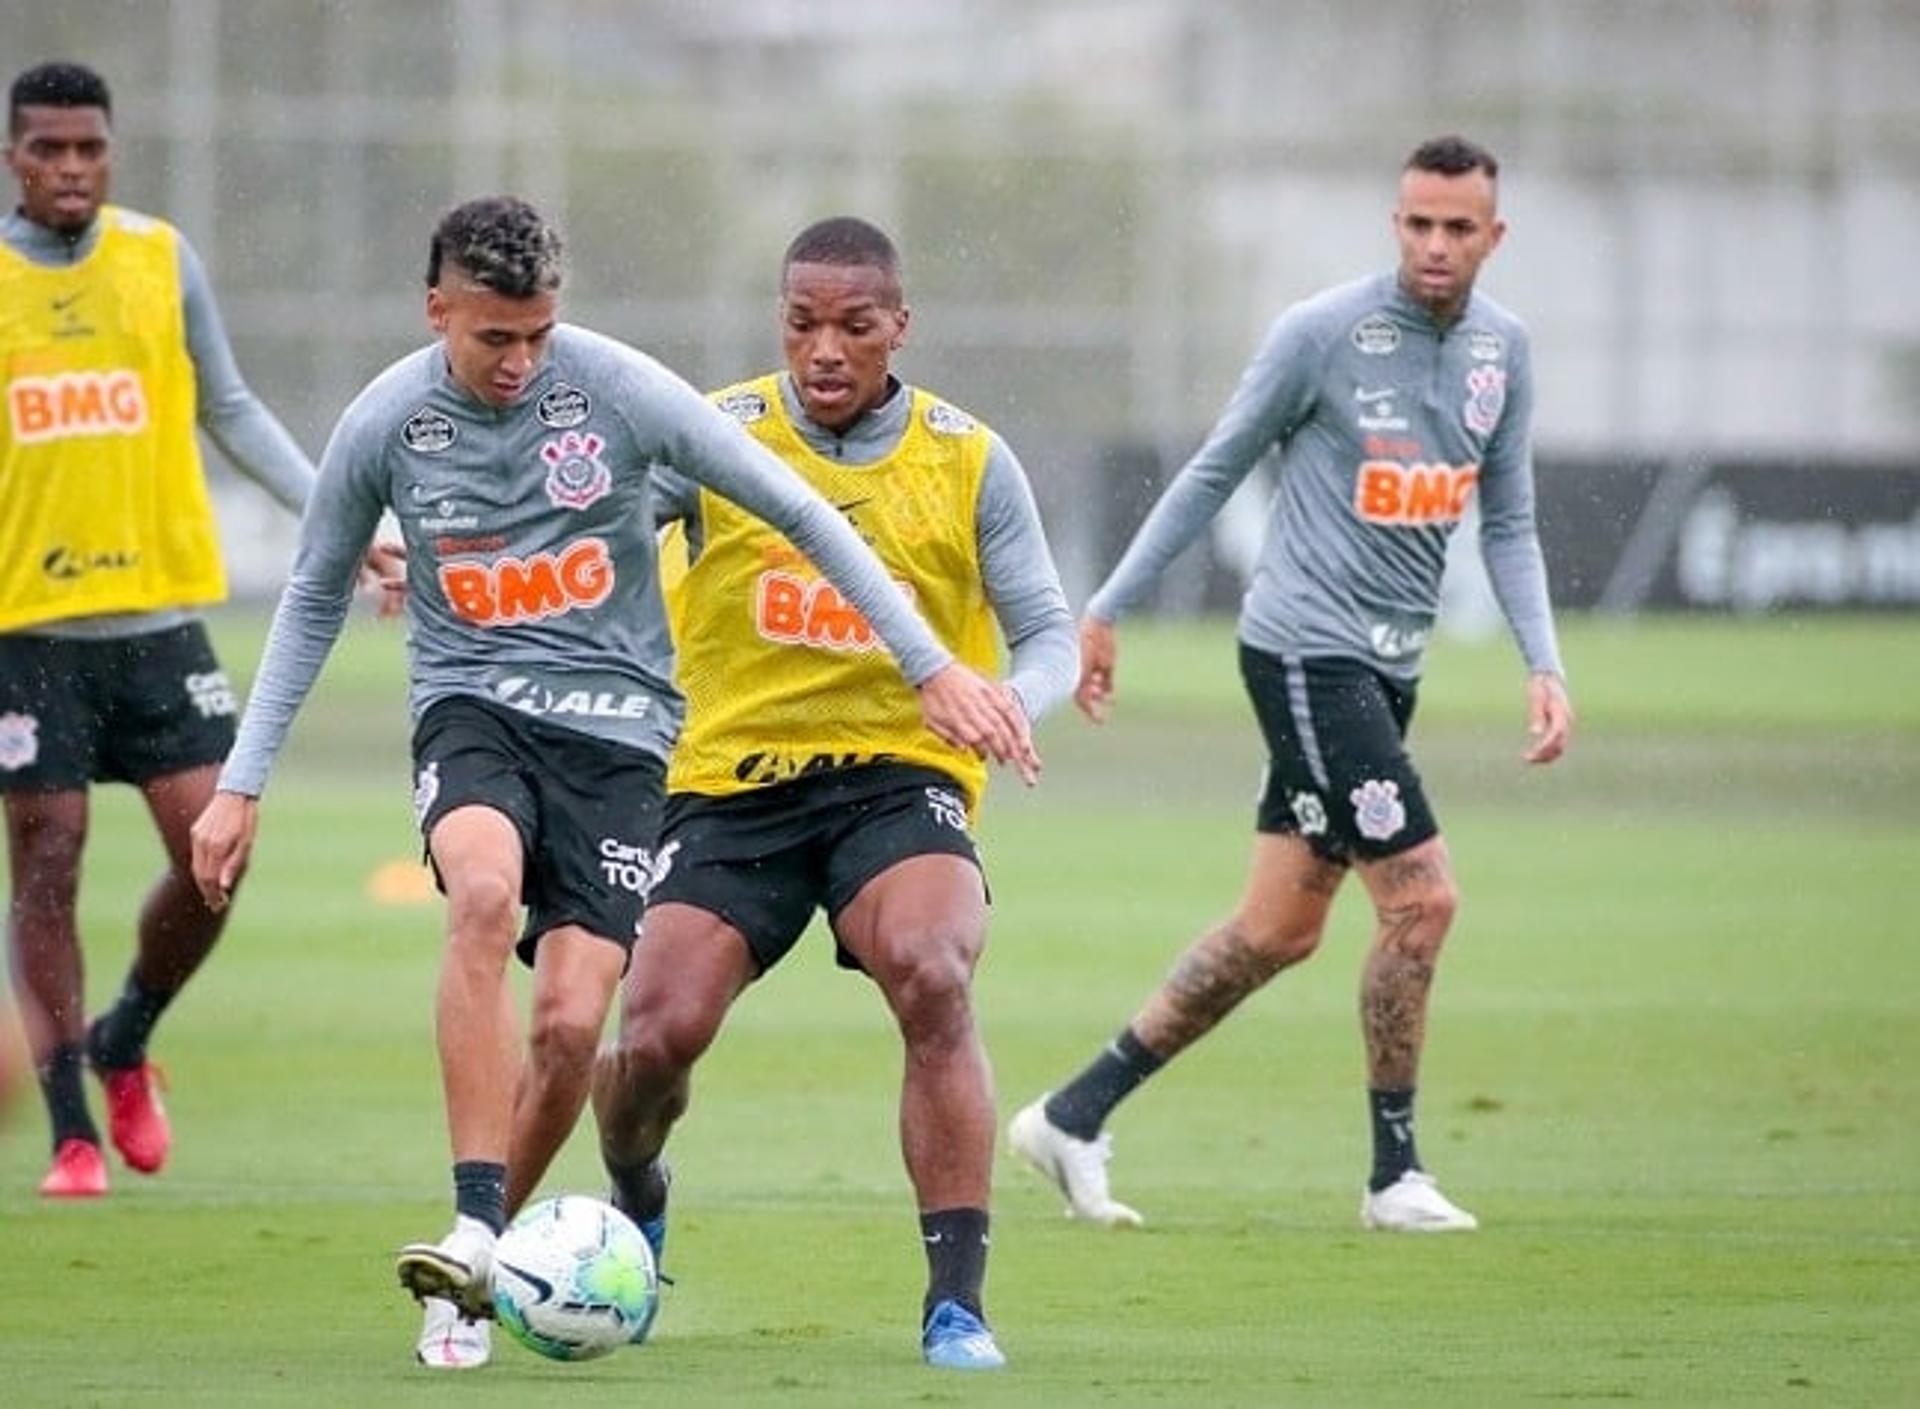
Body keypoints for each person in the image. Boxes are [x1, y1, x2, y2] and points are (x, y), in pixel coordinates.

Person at [188, 197, 1034, 1371]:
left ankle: (951, 1300)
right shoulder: (386, 419)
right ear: (439, 311)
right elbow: (314, 591)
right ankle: (478, 1236)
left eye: (540, 334)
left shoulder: (627, 391)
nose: (522, 361)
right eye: (495, 338)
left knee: (593, 1024)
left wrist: (936, 665)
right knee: (505, 913)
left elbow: (797, 510)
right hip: (516, 720)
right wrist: (243, 781)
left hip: (647, 744)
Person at [1008, 134, 1574, 1233]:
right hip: (1308, 654)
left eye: (1459, 227)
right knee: (1422, 899)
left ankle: (1071, 1116)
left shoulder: (1505, 351)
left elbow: (1506, 520)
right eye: (1417, 222)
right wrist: (1107, 606)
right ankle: (1393, 1174)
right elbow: (1215, 467)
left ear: (1493, 236)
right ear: (1395, 221)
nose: (1435, 244)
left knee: (1278, 927)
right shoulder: (1322, 335)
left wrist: (1542, 661)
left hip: (1386, 667)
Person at [591, 217, 1075, 1372]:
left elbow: (1048, 631)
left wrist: (1011, 702)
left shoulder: (969, 458)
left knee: (935, 969)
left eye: (854, 326)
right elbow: (582, 532)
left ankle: (956, 1302)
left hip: (895, 782)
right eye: (802, 323)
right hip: (727, 782)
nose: (825, 349)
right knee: (655, 1037)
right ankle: (636, 1193)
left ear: (898, 327)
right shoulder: (711, 436)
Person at [1, 61, 398, 1200]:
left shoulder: (159, 258)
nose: (71, 168)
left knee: (214, 853)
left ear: (110, 152)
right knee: (50, 855)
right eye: (48, 150)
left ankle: (127, 1036)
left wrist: (340, 509)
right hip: (27, 626)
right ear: (14, 158)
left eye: (89, 149)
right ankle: (72, 1126)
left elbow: (228, 405)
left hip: (160, 617)